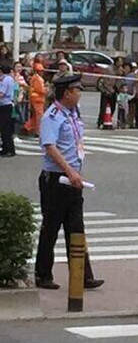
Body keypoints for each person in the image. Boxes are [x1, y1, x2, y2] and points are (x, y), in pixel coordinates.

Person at [34, 74, 103, 290]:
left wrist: (76, 173)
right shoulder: (52, 116)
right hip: (56, 179)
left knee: (76, 228)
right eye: (77, 90)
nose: (80, 93)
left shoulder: (72, 114)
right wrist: (70, 171)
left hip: (73, 179)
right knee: (51, 228)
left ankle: (83, 275)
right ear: (67, 93)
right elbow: (50, 146)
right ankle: (43, 274)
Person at [24, 63, 47, 136]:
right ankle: (38, 131)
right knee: (39, 116)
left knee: (35, 116)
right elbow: (40, 90)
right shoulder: (38, 79)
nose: (42, 72)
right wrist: (47, 90)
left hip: (35, 99)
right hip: (38, 99)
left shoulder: (34, 78)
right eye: (41, 71)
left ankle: (27, 127)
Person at [0, 64, 15, 157]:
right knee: (3, 128)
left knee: (6, 129)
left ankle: (10, 149)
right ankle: (5, 148)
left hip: (5, 105)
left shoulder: (6, 79)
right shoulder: (6, 79)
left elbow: (2, 93)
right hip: (3, 105)